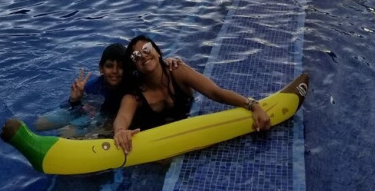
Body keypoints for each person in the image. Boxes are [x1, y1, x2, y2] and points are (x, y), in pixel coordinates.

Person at [113, 35, 271, 154]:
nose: (143, 55)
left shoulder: (177, 71)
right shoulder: (135, 95)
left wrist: (252, 105)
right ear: (134, 66)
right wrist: (120, 131)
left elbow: (215, 92)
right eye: (136, 56)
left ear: (158, 52)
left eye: (146, 49)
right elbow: (123, 117)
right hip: (158, 139)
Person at [34, 43, 129, 135]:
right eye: (109, 66)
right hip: (88, 112)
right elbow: (71, 108)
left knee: (65, 133)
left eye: (121, 67)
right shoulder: (91, 86)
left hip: (106, 118)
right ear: (101, 68)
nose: (115, 71)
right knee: (40, 123)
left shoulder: (129, 91)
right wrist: (74, 100)